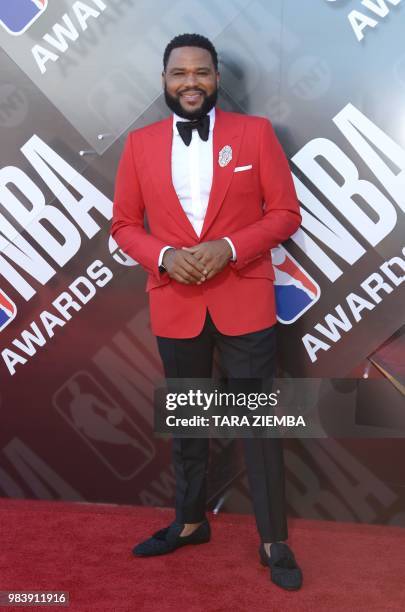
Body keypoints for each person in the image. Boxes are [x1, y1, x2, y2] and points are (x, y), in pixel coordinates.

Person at [111, 33, 303, 590]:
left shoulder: (256, 133)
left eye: (201, 71)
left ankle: (274, 540)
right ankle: (190, 521)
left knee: (257, 424)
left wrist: (231, 247)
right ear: (165, 80)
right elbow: (124, 225)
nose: (190, 81)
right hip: (177, 302)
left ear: (217, 78)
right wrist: (167, 256)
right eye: (179, 73)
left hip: (244, 296)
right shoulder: (140, 144)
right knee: (189, 423)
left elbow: (285, 212)